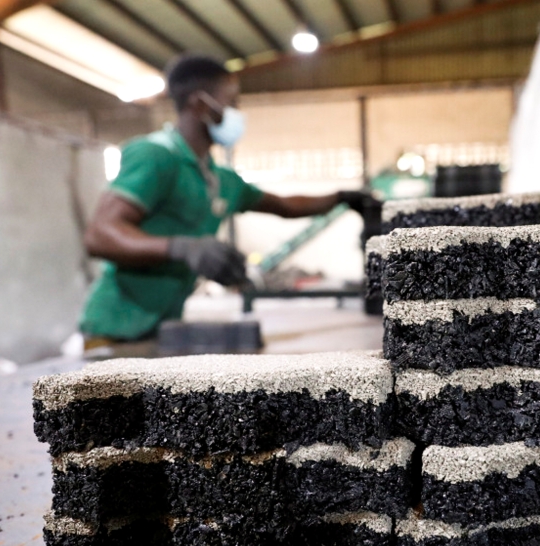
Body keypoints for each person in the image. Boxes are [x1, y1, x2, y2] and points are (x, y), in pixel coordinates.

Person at [79, 54, 373, 348]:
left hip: (162, 327)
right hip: (114, 330)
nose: (237, 112)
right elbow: (100, 235)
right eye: (232, 103)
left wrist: (341, 198)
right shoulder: (155, 156)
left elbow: (284, 206)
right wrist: (184, 248)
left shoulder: (220, 179)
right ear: (200, 104)